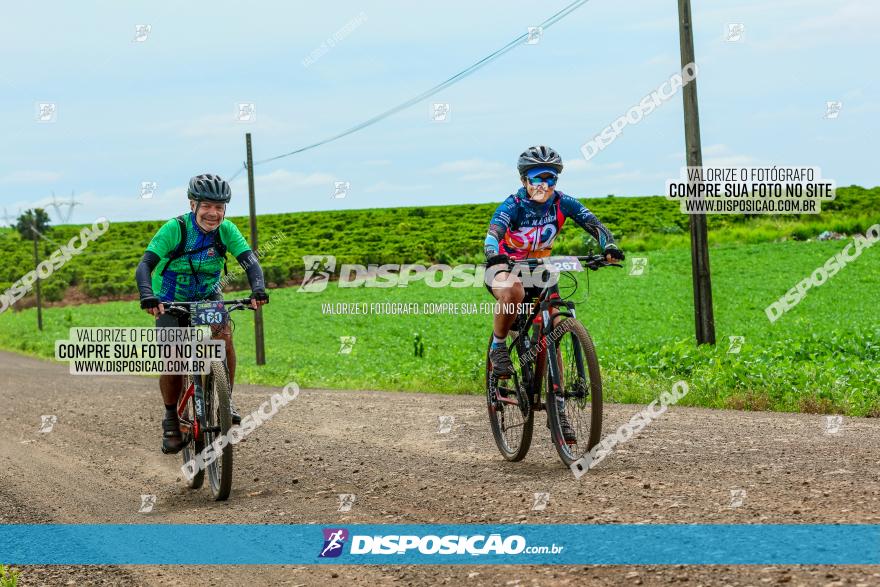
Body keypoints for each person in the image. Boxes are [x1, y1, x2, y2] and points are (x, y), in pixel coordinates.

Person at [483, 146, 624, 441]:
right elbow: (493, 234)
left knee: (555, 329)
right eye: (537, 178)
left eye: (551, 178)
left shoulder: (562, 203)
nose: (544, 185)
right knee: (513, 290)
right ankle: (499, 346)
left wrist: (607, 246)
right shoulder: (513, 205)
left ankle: (557, 409)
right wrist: (494, 255)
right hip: (507, 267)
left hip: (542, 269)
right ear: (524, 180)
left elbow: (594, 223)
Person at [135, 173, 269, 454]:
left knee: (223, 337)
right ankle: (171, 418)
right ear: (192, 204)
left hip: (207, 296)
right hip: (170, 300)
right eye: (207, 206)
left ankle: (225, 401)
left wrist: (258, 289)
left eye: (219, 207)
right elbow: (144, 266)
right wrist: (148, 295)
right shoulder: (176, 229)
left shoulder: (227, 231)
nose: (214, 213)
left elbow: (251, 263)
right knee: (174, 357)